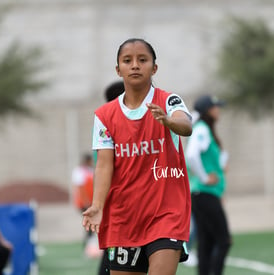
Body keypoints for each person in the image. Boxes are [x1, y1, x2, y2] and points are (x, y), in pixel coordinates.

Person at [82, 38, 192, 275]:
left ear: (154, 68)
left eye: (142, 60)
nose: (135, 65)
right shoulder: (104, 115)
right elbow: (103, 166)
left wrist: (170, 121)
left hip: (166, 214)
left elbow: (186, 124)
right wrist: (98, 205)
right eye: (127, 60)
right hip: (124, 217)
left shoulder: (168, 101)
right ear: (118, 69)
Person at [185, 95, 232, 275]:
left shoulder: (204, 129)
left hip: (204, 194)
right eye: (215, 107)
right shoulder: (202, 129)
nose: (218, 110)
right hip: (205, 192)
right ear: (207, 111)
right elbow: (191, 155)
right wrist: (204, 178)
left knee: (206, 242)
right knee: (223, 241)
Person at [96, 80, 125, 275]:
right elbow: (104, 169)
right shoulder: (107, 131)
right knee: (113, 253)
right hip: (118, 204)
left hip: (120, 202)